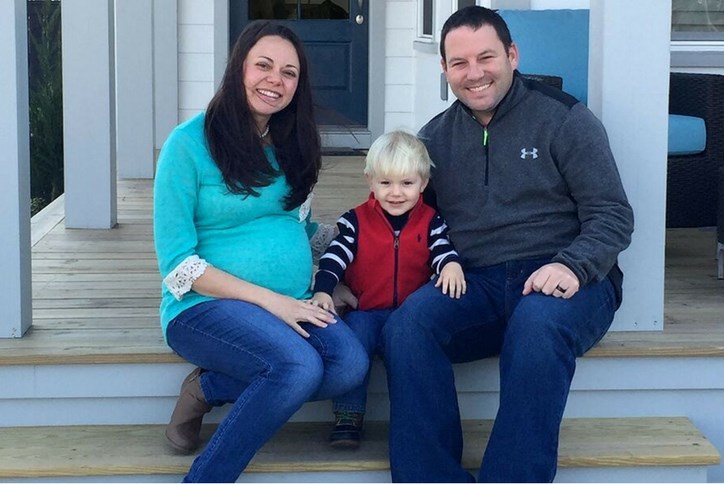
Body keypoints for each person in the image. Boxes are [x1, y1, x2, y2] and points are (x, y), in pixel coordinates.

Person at [380, 6, 635, 483]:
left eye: (486, 57)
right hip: (473, 282)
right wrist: (350, 278)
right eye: (459, 63)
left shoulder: (565, 119)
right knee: (407, 327)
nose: (474, 74)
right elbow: (401, 221)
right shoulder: (433, 139)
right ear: (444, 69)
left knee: (537, 326)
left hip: (564, 279)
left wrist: (572, 266)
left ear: (512, 55)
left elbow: (612, 214)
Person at [152, 20, 368, 483]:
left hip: (291, 301)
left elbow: (302, 226)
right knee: (297, 367)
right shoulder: (187, 145)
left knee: (349, 364)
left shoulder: (292, 144)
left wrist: (350, 258)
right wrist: (273, 301)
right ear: (239, 70)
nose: (276, 80)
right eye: (264, 66)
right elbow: (177, 267)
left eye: (289, 73)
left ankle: (209, 387)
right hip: (204, 306)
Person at [310, 130, 466, 449]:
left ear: (423, 184)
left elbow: (441, 249)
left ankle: (408, 417)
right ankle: (348, 415)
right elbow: (334, 257)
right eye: (386, 183)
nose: (396, 193)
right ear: (370, 181)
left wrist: (451, 265)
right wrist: (324, 289)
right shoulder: (356, 221)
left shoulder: (430, 221)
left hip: (409, 315)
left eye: (407, 183)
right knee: (354, 344)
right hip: (365, 310)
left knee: (409, 351)